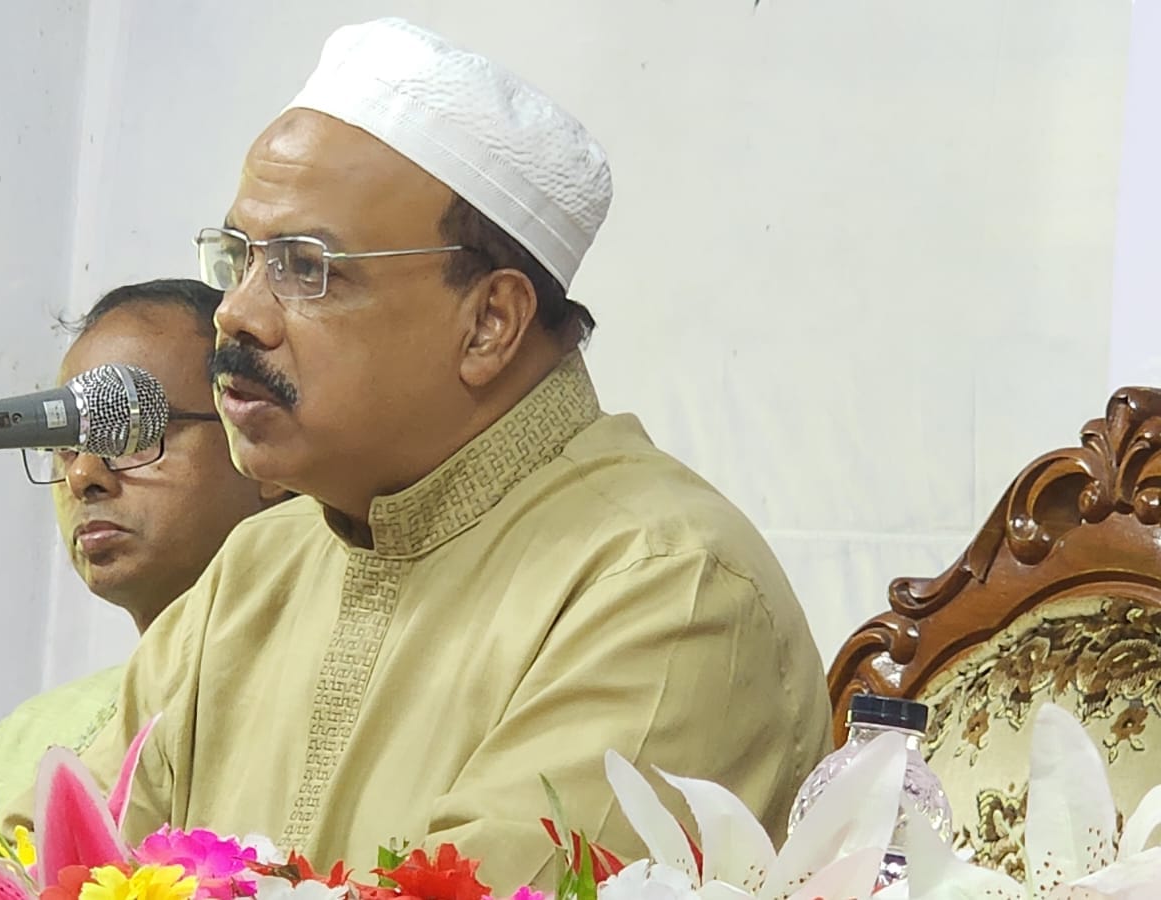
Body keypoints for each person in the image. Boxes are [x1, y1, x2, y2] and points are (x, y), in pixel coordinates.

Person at [69, 19, 833, 890]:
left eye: (305, 268)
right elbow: (49, 862)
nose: (236, 313)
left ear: (489, 323)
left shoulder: (666, 584)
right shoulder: (256, 569)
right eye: (238, 258)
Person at [0, 279, 286, 837]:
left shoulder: (311, 702)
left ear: (258, 445)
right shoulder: (26, 737)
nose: (83, 475)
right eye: (65, 444)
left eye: (134, 431)